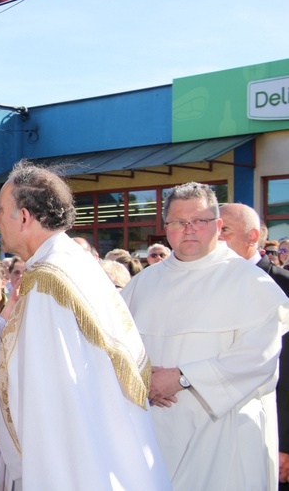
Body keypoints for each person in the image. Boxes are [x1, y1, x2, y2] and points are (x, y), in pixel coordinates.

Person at [0, 160, 170, 490]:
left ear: (24, 216)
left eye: (1, 209)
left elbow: (39, 385)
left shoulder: (48, 279)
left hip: (70, 463)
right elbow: (31, 358)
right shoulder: (65, 264)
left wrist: (4, 419)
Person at [121, 184, 288, 491]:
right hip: (156, 431)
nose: (189, 230)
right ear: (165, 227)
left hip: (225, 431)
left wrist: (184, 377)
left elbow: (258, 358)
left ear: (217, 225)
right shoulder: (142, 284)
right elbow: (117, 348)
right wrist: (142, 377)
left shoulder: (251, 282)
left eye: (199, 221)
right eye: (178, 222)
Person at [219, 202, 289, 489]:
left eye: (225, 230)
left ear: (252, 237)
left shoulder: (284, 286)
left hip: (268, 432)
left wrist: (284, 441)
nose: (216, 237)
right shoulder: (200, 284)